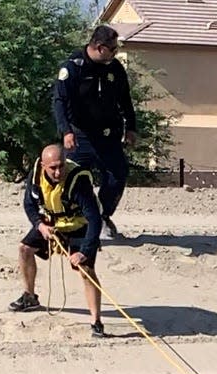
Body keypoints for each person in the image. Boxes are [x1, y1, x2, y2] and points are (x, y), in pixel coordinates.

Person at [8, 143, 107, 338]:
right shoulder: (36, 174)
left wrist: (84, 251)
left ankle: (96, 321)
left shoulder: (78, 181)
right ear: (44, 165)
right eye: (53, 167)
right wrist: (40, 225)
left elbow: (95, 219)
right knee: (24, 249)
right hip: (51, 223)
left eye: (61, 166)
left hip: (79, 225)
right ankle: (29, 297)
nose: (58, 171)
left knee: (86, 270)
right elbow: (29, 204)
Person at [53, 24, 137, 240]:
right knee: (69, 180)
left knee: (117, 175)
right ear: (100, 47)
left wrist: (131, 127)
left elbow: (125, 99)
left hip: (108, 136)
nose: (115, 53)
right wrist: (66, 131)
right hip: (80, 137)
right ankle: (70, 222)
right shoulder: (73, 68)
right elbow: (60, 101)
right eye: (113, 49)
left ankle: (103, 216)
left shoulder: (115, 68)